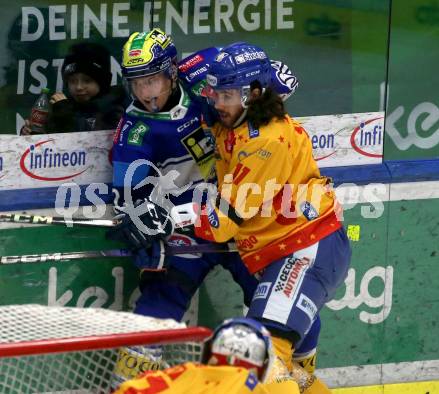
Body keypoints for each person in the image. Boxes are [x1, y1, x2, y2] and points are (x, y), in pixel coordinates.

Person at [120, 42, 352, 393]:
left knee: (267, 355)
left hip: (302, 246)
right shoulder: (235, 117)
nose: (216, 102)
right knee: (283, 364)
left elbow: (222, 221)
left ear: (253, 94)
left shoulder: (263, 144)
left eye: (226, 95)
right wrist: (139, 216)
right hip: (276, 245)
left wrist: (167, 219)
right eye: (215, 92)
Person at [106, 28, 298, 388]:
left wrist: (270, 79)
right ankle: (126, 386)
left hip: (240, 216)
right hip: (188, 229)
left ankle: (293, 381)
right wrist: (140, 221)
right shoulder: (132, 132)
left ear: (173, 71)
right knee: (157, 310)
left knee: (278, 302)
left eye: (153, 80)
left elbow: (252, 71)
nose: (146, 93)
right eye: (137, 84)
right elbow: (128, 196)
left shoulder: (204, 69)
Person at [113, 317, 300, 394]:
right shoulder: (282, 388)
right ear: (263, 365)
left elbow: (129, 389)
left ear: (210, 353)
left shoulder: (182, 375)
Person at [21, 42, 127, 134]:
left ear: (102, 83)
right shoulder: (61, 107)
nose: (79, 87)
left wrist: (65, 114)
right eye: (72, 81)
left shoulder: (114, 110)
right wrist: (32, 134)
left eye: (87, 81)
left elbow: (93, 144)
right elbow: (49, 147)